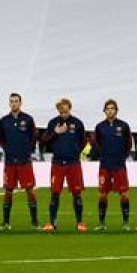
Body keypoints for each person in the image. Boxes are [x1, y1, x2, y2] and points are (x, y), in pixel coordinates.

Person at [41, 98, 87, 232]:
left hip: (73, 163)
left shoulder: (77, 123)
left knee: (77, 193)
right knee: (55, 193)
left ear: (69, 107)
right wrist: (55, 133)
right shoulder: (53, 123)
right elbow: (44, 140)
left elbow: (83, 141)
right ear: (58, 109)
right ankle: (52, 223)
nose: (63, 110)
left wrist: (75, 151)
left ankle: (79, 222)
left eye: (65, 108)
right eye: (60, 109)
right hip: (58, 163)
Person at [0, 94, 38, 230]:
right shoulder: (4, 120)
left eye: (16, 101)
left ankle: (34, 222)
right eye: (12, 101)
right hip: (10, 162)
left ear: (20, 103)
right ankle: (6, 223)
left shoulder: (28, 119)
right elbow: (1, 139)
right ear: (9, 103)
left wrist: (27, 151)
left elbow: (33, 137)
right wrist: (8, 150)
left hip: (24, 161)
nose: (14, 103)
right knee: (8, 190)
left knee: (30, 190)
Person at [93, 99, 133, 231]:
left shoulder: (124, 126)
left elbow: (128, 143)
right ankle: (101, 223)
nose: (110, 111)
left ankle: (125, 223)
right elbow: (96, 143)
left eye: (112, 108)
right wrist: (102, 155)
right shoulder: (100, 127)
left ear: (116, 110)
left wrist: (122, 156)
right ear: (104, 111)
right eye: (108, 108)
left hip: (119, 166)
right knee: (102, 194)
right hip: (105, 165)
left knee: (124, 194)